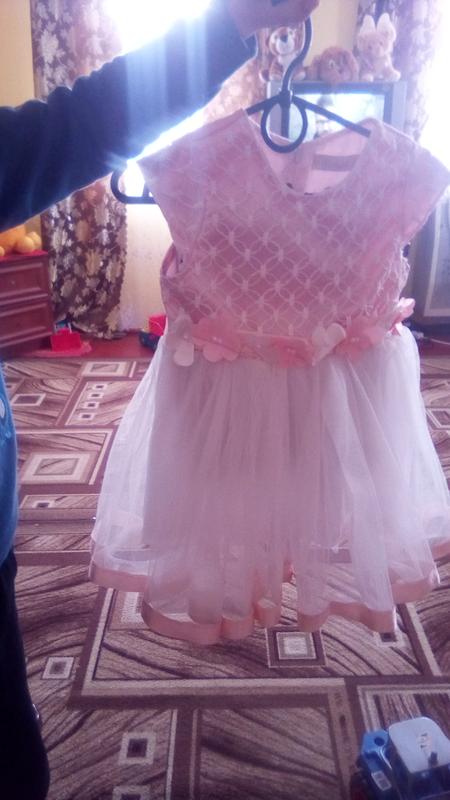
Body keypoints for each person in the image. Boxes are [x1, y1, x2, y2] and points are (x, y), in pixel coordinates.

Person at [0, 2, 319, 797]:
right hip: (223, 393)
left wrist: (231, 22)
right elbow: (81, 127)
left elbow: (77, 127)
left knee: (12, 756)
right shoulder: (192, 172)